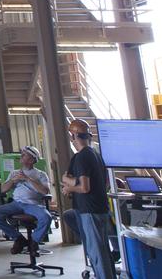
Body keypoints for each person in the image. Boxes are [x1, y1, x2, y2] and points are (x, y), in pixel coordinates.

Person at [61, 119, 115, 279]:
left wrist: (69, 186)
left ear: (74, 136)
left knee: (96, 253)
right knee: (102, 251)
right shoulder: (95, 155)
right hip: (99, 208)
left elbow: (84, 187)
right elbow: (100, 183)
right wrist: (70, 181)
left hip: (89, 210)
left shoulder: (82, 157)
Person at [0, 146, 52, 254]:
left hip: (33, 205)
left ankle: (34, 241)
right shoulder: (15, 173)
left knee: (46, 217)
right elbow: (3, 189)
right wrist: (13, 181)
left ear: (32, 160)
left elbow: (45, 191)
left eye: (24, 155)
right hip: (16, 204)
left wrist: (28, 179)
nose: (21, 156)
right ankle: (18, 239)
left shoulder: (41, 174)